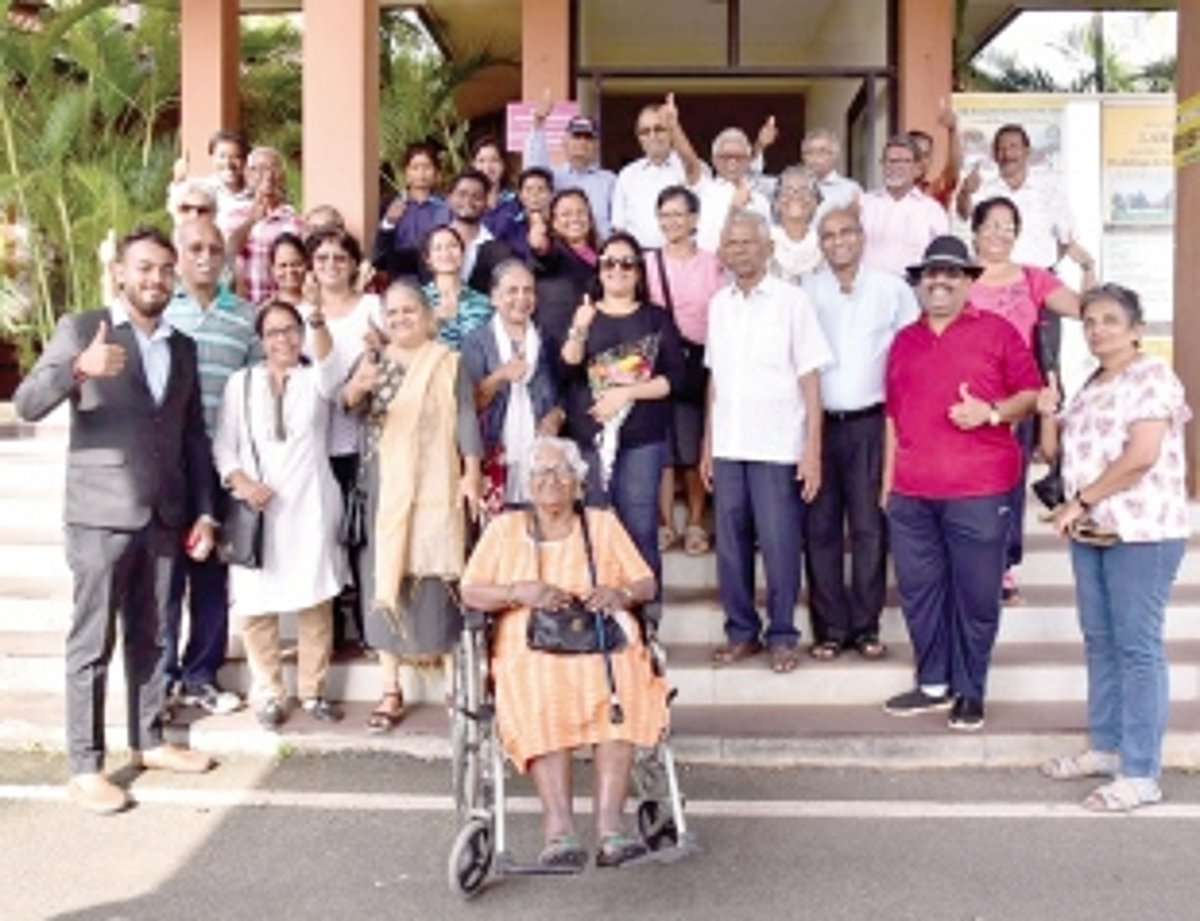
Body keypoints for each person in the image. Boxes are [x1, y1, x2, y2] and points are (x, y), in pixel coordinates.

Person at [14, 228, 217, 814]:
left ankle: (150, 739)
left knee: (154, 635)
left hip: (164, 513)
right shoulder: (83, 329)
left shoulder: (182, 347)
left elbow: (191, 438)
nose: (155, 279)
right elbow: (28, 402)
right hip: (99, 515)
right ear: (121, 275)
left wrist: (204, 509)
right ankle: (86, 765)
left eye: (164, 270)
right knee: (93, 640)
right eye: (145, 269)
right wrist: (80, 367)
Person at [460, 436, 667, 868]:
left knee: (621, 685)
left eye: (559, 473)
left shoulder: (602, 524)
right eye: (539, 473)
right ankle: (559, 832)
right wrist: (519, 591)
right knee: (540, 689)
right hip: (530, 642)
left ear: (578, 483)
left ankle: (611, 828)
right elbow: (470, 590)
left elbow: (645, 582)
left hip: (599, 636)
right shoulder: (504, 530)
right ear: (527, 483)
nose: (549, 482)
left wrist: (620, 592)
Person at [1036, 284, 1190, 812]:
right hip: (1093, 532)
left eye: (1109, 320)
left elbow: (1141, 455)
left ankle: (1142, 771)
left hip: (1142, 532)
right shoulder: (1090, 384)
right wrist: (1045, 413)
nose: (1098, 329)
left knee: (1138, 647)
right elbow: (1053, 452)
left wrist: (1080, 502)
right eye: (1090, 321)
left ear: (1136, 327)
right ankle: (1106, 747)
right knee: (1100, 641)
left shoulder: (1152, 377)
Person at [882, 235, 1042, 731]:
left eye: (952, 272)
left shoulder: (998, 332)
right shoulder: (904, 340)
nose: (940, 281)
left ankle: (971, 690)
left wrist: (990, 412)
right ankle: (933, 683)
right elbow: (893, 415)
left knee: (975, 595)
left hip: (980, 490)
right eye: (931, 273)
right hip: (912, 492)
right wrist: (888, 484)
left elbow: (1031, 394)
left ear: (969, 281)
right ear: (919, 282)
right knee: (920, 590)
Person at [342, 280, 483, 733]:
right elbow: (347, 406)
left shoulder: (448, 362)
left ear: (427, 315)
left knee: (434, 577)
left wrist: (472, 471)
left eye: (409, 311)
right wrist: (358, 384)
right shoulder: (372, 360)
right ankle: (390, 687)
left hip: (435, 486)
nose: (401, 319)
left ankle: (451, 687)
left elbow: (465, 415)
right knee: (383, 576)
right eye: (393, 313)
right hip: (382, 485)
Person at [701, 210, 831, 674]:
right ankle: (741, 632)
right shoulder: (719, 304)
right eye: (730, 243)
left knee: (779, 544)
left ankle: (781, 635)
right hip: (730, 442)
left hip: (778, 444)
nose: (738, 251)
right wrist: (707, 445)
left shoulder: (792, 302)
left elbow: (811, 378)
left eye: (747, 242)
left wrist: (812, 449)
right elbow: (715, 378)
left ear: (768, 248)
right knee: (731, 545)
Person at [212, 300, 348, 728]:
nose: (283, 339)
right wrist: (242, 483)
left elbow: (331, 370)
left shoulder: (315, 381)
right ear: (260, 340)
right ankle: (269, 691)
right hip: (258, 508)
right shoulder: (241, 383)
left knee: (315, 599)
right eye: (273, 332)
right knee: (255, 605)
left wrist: (318, 320)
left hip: (310, 502)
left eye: (291, 330)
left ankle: (313, 691)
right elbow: (224, 443)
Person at [801, 207, 918, 660]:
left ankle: (866, 626)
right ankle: (830, 628)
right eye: (827, 235)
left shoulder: (891, 290)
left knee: (870, 526)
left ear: (862, 237)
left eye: (846, 232)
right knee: (821, 528)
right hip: (818, 425)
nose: (837, 242)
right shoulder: (805, 292)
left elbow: (909, 360)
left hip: (873, 422)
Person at [969, 195, 1094, 602]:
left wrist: (1088, 267)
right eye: (991, 225)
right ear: (975, 231)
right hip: (968, 400)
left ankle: (1004, 569)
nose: (999, 234)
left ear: (1017, 235)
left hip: (1019, 401)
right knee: (969, 487)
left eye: (1008, 227)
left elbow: (1083, 310)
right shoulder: (960, 278)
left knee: (1008, 486)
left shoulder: (1032, 278)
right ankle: (971, 566)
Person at [161, 219, 260, 716]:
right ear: (178, 254)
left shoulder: (245, 318)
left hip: (221, 465)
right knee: (163, 578)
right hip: (166, 465)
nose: (205, 256)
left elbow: (262, 388)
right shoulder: (159, 314)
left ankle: (201, 674)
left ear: (227, 258)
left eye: (214, 249)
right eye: (195, 247)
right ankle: (159, 681)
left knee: (211, 578)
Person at [560, 232, 685, 621]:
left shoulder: (655, 317)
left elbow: (677, 379)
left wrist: (626, 393)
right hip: (589, 442)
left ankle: (646, 617)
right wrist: (579, 327)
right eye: (609, 262)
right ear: (599, 269)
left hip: (641, 440)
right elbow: (566, 368)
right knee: (593, 527)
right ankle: (596, 614)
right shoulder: (585, 313)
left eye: (626, 262)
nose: (617, 270)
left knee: (639, 529)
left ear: (639, 272)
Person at [301, 227, 382, 652]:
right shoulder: (301, 314)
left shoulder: (372, 306)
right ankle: (328, 631)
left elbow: (388, 357)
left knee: (363, 535)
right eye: (322, 258)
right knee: (323, 533)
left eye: (340, 257)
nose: (332, 265)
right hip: (315, 443)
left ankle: (370, 629)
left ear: (354, 264)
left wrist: (377, 350)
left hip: (366, 438)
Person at [645, 185, 725, 556]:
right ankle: (665, 523)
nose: (672, 222)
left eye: (680, 214)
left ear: (694, 219)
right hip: (657, 362)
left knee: (692, 445)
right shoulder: (646, 263)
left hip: (699, 359)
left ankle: (695, 522)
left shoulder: (712, 263)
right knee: (661, 444)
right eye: (665, 214)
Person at [462, 260, 564, 515]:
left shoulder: (546, 339)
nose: (522, 298)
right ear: (494, 297)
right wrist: (500, 375)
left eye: (528, 290)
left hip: (539, 455)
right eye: (512, 291)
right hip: (493, 456)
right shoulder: (477, 342)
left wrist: (558, 415)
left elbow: (563, 392)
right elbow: (468, 405)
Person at [955, 123, 1077, 271]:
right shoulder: (984, 189)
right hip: (995, 277)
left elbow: (1066, 238)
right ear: (994, 154)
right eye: (1001, 149)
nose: (1007, 155)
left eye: (1013, 147)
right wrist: (965, 191)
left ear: (1027, 151)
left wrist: (1045, 271)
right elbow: (964, 214)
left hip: (1039, 278)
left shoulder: (1050, 191)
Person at [611, 94, 702, 248]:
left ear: (670, 133)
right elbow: (619, 226)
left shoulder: (685, 167)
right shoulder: (627, 175)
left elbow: (692, 164)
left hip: (680, 256)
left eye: (659, 129)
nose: (652, 136)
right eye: (645, 131)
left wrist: (674, 125)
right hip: (641, 257)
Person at [223, 146, 306, 305]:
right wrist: (252, 220)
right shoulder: (232, 215)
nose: (267, 175)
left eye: (273, 168)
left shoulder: (294, 220)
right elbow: (227, 253)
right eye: (259, 169)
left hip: (281, 309)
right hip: (242, 308)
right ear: (247, 175)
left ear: (281, 176)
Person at [859, 135, 948, 278]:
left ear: (916, 167)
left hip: (913, 290)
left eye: (905, 161)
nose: (897, 167)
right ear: (883, 164)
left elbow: (942, 255)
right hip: (870, 290)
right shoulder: (864, 204)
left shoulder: (932, 210)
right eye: (892, 161)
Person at [523, 109, 616, 238]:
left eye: (588, 138)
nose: (582, 143)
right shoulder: (554, 177)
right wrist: (538, 124)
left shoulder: (610, 181)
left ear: (596, 146)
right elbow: (532, 172)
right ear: (565, 143)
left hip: (599, 251)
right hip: (560, 251)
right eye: (576, 136)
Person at [372, 141, 450, 283]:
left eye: (427, 167)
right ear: (406, 173)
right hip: (400, 278)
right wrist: (388, 222)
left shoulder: (446, 208)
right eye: (415, 168)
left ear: (436, 172)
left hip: (437, 278)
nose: (421, 173)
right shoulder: (391, 205)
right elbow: (380, 252)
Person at [693, 127, 772, 254]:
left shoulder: (760, 199)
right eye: (726, 157)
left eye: (739, 157)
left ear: (748, 160)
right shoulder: (702, 192)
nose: (733, 162)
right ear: (714, 160)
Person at [421, 224, 495, 351]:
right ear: (428, 259)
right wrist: (435, 320)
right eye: (438, 248)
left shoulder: (484, 302)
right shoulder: (417, 300)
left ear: (463, 252)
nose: (446, 253)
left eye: (453, 246)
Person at [440, 169, 514, 294]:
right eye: (462, 194)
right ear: (449, 198)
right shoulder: (430, 243)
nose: (468, 201)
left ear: (486, 203)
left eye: (477, 196)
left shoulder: (500, 252)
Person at [168, 129, 251, 228]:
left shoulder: (256, 193)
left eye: (236, 157)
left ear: (246, 160)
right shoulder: (200, 188)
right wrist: (178, 181)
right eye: (222, 156)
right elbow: (177, 212)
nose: (228, 163)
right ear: (212, 157)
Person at [769, 166, 824, 282]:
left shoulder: (824, 242)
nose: (795, 196)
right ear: (777, 202)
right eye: (787, 190)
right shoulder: (765, 240)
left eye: (804, 190)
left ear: (815, 202)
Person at [909, 99, 961, 210]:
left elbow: (952, 172)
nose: (920, 160)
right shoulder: (887, 197)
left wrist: (953, 130)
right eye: (915, 153)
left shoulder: (933, 192)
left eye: (926, 155)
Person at [800, 128, 862, 216]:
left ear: (834, 156)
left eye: (822, 151)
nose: (815, 157)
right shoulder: (794, 188)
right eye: (810, 152)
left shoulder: (850, 190)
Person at [472, 135, 522, 243]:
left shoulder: (517, 201)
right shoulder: (466, 203)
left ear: (503, 164)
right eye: (481, 161)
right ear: (474, 165)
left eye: (494, 160)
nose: (487, 167)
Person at [268, 232, 308, 307]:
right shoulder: (265, 312)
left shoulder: (320, 307)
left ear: (307, 264)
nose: (290, 271)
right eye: (283, 265)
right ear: (273, 269)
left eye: (296, 264)